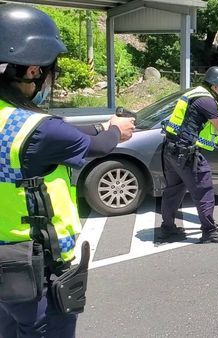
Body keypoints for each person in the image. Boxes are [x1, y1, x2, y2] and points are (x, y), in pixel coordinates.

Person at [0, 4, 135, 337]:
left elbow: (61, 134)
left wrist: (103, 124)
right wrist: (117, 130)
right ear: (32, 71)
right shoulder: (39, 129)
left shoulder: (13, 121)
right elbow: (97, 147)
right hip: (35, 267)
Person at [161, 66, 218, 243]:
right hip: (187, 154)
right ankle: (209, 232)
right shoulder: (207, 101)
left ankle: (168, 228)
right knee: (204, 190)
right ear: (216, 85)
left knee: (173, 191)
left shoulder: (193, 94)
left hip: (171, 150)